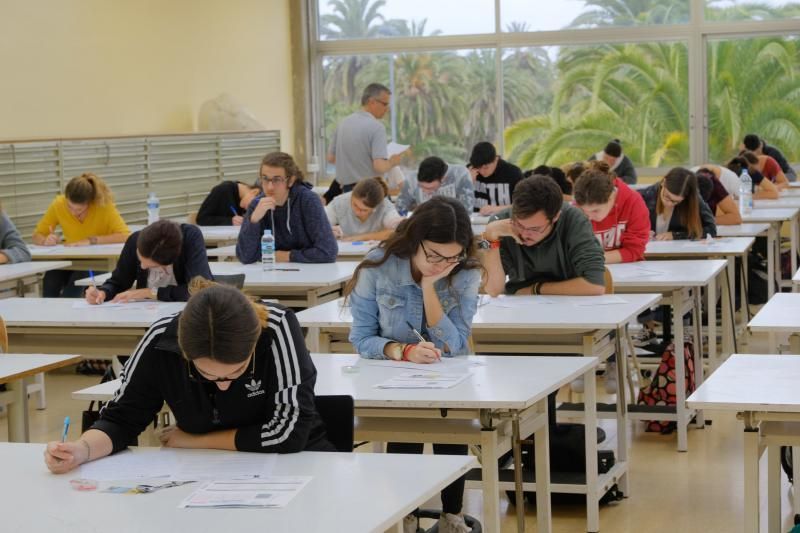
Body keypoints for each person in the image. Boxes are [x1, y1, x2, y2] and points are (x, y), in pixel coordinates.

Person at [45, 279, 334, 474]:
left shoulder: (276, 327)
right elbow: (121, 419)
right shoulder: (161, 340)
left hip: (293, 466)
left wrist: (194, 440)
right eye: (206, 374)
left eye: (237, 371)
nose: (223, 384)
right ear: (182, 351)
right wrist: (81, 450)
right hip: (201, 471)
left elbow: (290, 434)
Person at [346, 196, 481, 533]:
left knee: (451, 428)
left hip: (452, 384)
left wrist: (429, 288)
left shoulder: (465, 274)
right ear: (414, 240)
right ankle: (405, 515)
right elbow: (361, 338)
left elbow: (454, 344)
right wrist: (401, 351)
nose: (441, 263)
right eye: (433, 255)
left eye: (452, 256)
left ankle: (453, 515)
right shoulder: (378, 266)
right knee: (403, 432)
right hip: (393, 381)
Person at [481, 175, 606, 297]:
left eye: (535, 229)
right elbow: (493, 290)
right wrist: (491, 236)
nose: (524, 234)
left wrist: (535, 289)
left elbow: (595, 284)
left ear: (556, 217)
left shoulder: (574, 220)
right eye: (518, 224)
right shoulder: (500, 223)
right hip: (520, 306)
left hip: (569, 302)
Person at [32, 173, 130, 297]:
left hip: (97, 261)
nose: (73, 213)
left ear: (89, 203)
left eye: (78, 210)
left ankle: (67, 315)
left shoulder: (103, 205)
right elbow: (37, 235)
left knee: (73, 290)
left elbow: (125, 235)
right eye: (69, 207)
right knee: (50, 282)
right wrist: (44, 241)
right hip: (69, 259)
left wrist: (91, 240)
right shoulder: (58, 204)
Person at [237, 152, 337, 264]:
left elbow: (328, 251)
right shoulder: (256, 205)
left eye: (277, 180)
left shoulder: (308, 201)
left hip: (309, 274)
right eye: (265, 179)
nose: (269, 187)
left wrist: (287, 256)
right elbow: (245, 257)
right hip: (272, 275)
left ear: (291, 180)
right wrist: (254, 220)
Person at [85, 220, 213, 304]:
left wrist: (150, 292)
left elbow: (200, 290)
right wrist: (103, 292)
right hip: (145, 315)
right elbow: (118, 282)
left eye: (152, 265)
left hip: (184, 316)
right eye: (140, 258)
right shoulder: (135, 240)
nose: (142, 266)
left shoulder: (190, 238)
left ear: (169, 262)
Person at [325, 83, 407, 203]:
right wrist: (393, 161)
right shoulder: (376, 127)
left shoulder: (343, 123)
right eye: (385, 104)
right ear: (372, 102)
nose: (387, 109)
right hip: (371, 192)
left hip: (347, 194)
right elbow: (379, 166)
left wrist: (355, 162)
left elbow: (331, 158)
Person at [572, 162, 650, 264]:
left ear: (611, 197)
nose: (589, 217)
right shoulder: (577, 206)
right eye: (584, 211)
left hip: (627, 270)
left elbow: (635, 249)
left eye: (595, 210)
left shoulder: (634, 203)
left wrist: (594, 259)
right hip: (589, 270)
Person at [638, 168, 716, 241]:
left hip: (682, 252)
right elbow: (626, 228)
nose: (669, 204)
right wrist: (638, 233)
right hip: (648, 252)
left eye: (676, 201)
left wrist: (677, 235)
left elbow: (711, 229)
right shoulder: (643, 197)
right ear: (663, 182)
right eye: (667, 197)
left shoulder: (693, 200)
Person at [325, 177, 403, 241]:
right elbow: (318, 224)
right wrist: (329, 231)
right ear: (352, 195)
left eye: (364, 210)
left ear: (375, 208)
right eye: (355, 205)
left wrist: (361, 237)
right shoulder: (339, 202)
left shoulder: (385, 206)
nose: (357, 212)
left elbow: (398, 232)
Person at [395, 156, 475, 214]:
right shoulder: (412, 179)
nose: (426, 192)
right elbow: (399, 209)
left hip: (454, 227)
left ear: (443, 178)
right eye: (422, 187)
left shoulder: (461, 175)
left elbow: (466, 211)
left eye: (430, 188)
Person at [468, 141, 522, 216]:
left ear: (495, 159)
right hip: (474, 221)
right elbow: (456, 203)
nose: (482, 172)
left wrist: (497, 209)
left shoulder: (513, 173)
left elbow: (523, 205)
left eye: (486, 168)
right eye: (478, 168)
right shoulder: (469, 171)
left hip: (504, 221)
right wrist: (468, 182)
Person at [196, 181, 261, 226]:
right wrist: (230, 221)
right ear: (254, 191)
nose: (248, 209)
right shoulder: (223, 190)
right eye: (251, 205)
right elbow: (201, 219)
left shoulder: (243, 200)